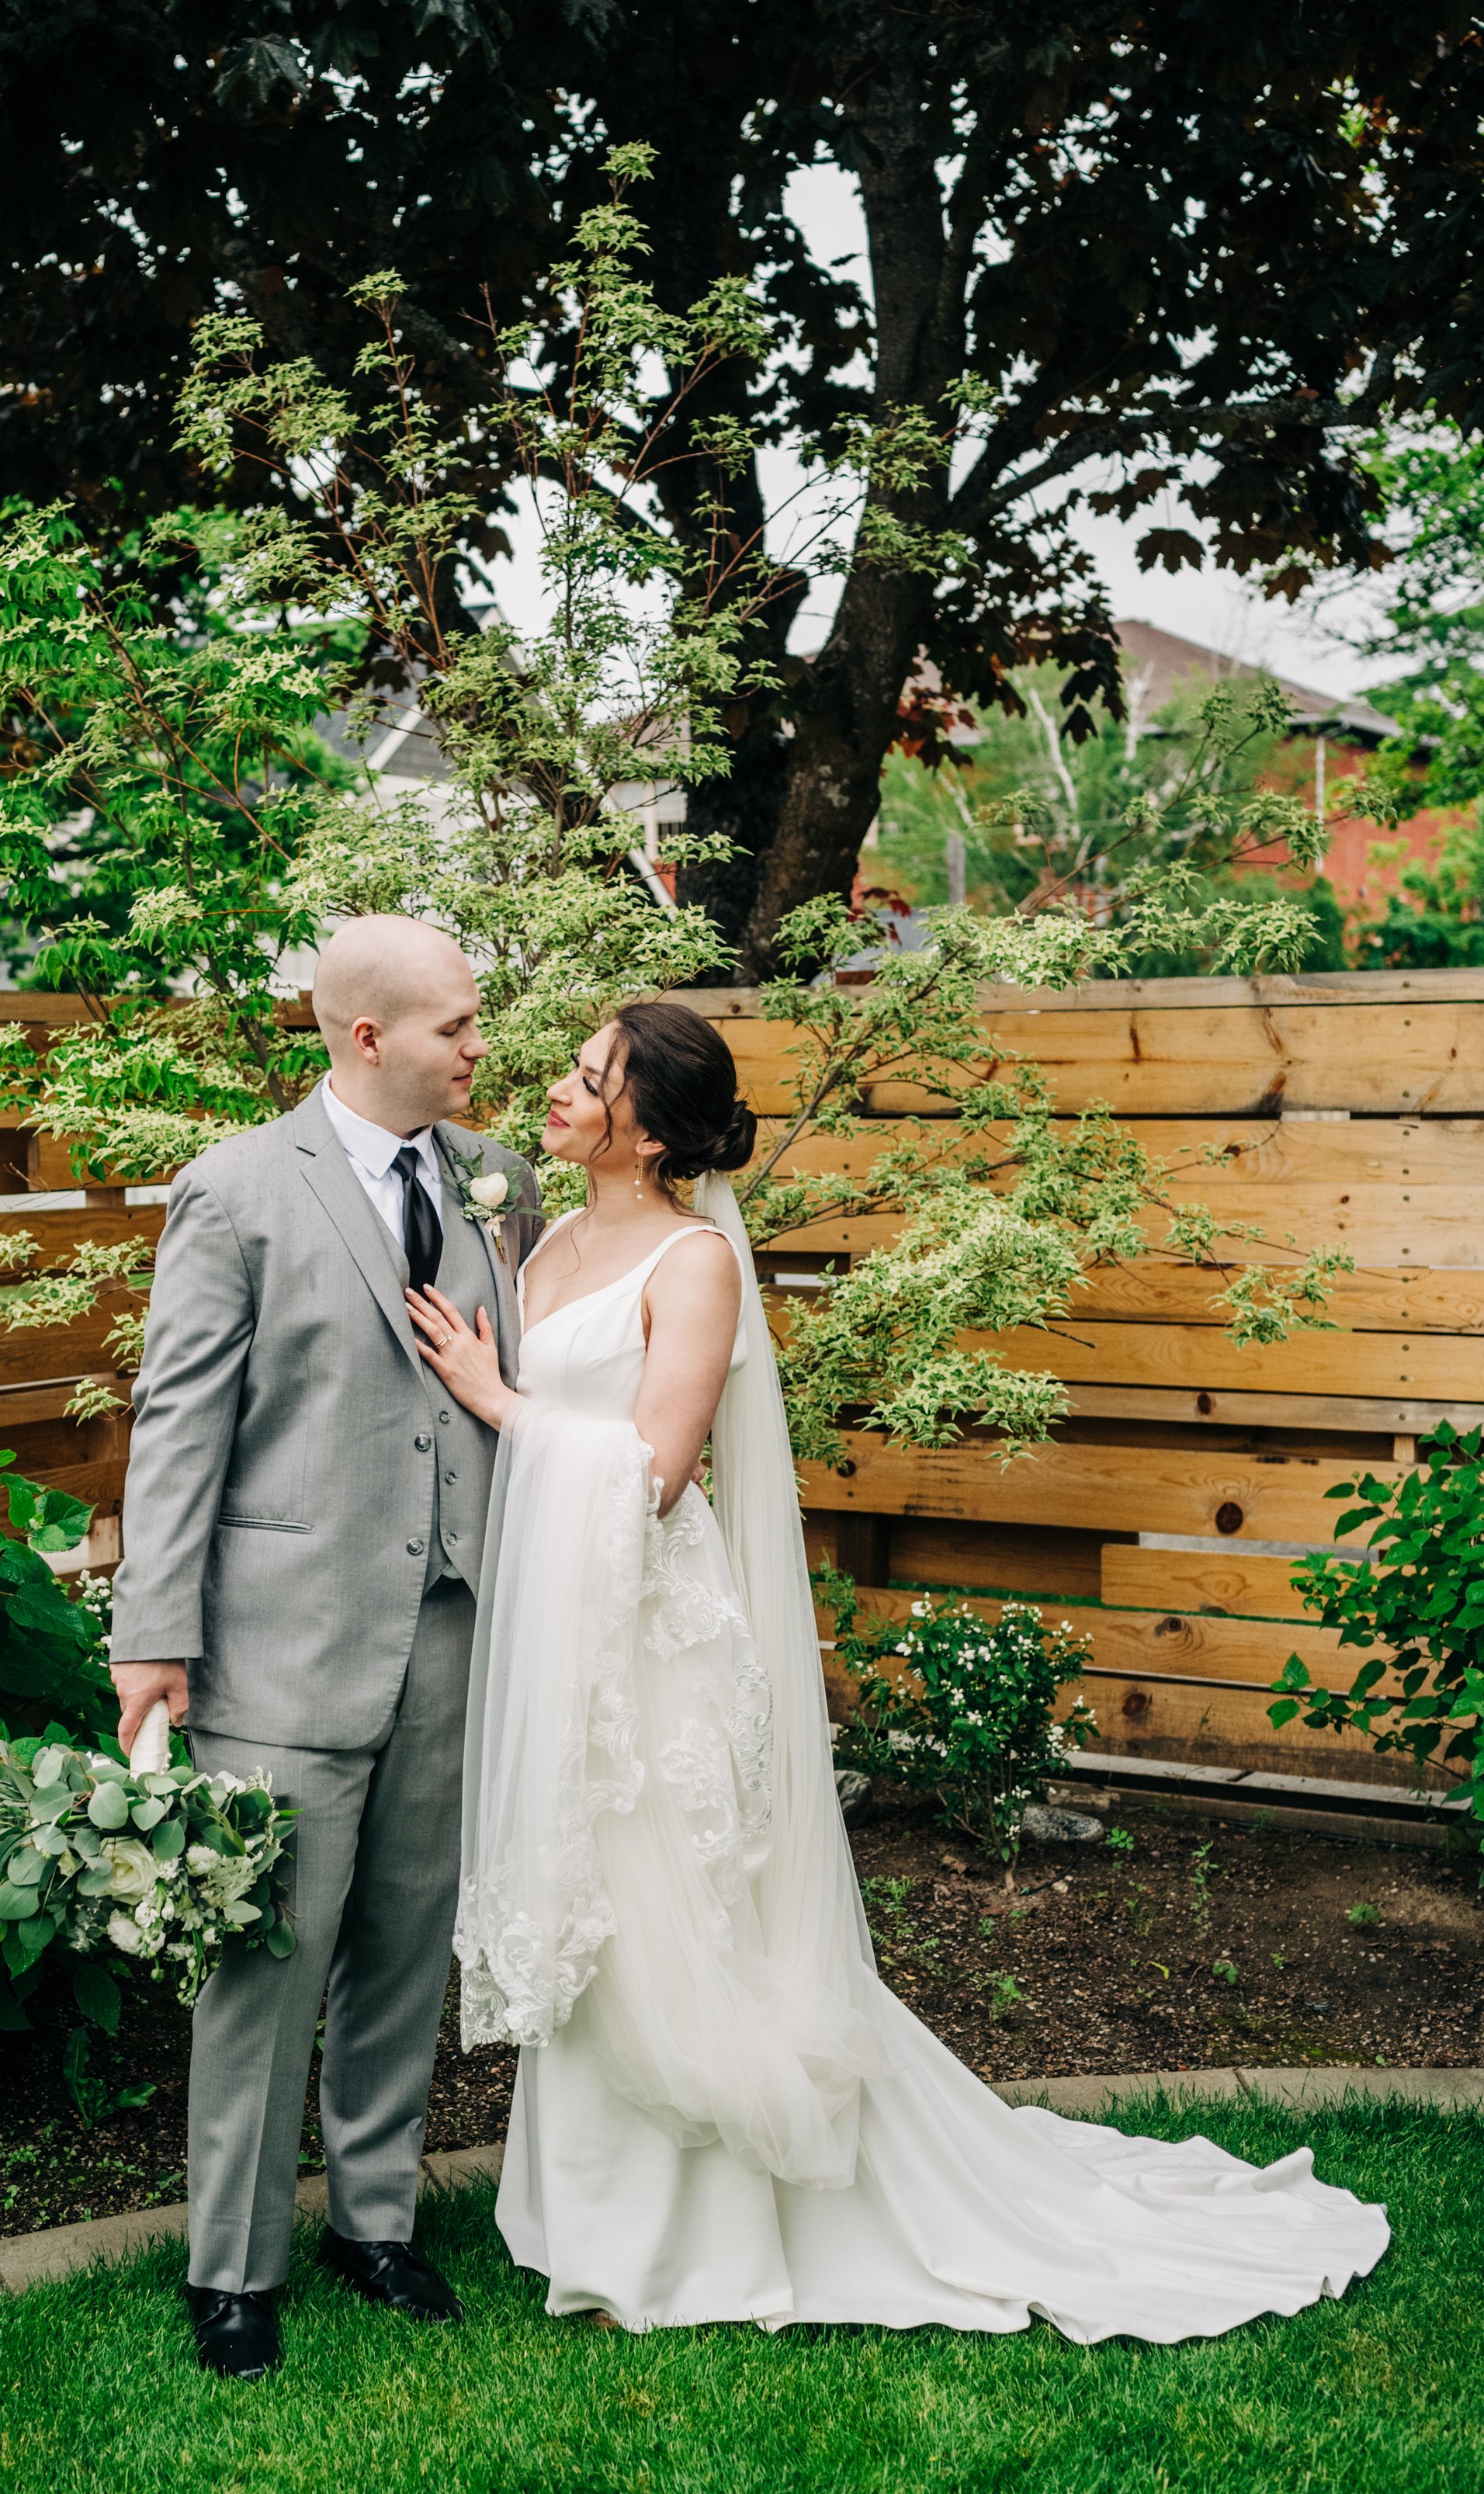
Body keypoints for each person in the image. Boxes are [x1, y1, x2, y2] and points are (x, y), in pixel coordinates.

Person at [406, 997, 1389, 2340]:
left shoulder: (696, 1264)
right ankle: (585, 2216)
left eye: (590, 1078)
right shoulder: (550, 1235)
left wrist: (497, 1396)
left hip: (655, 1636)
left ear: (646, 1128)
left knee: (664, 1900)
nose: (559, 1092)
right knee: (593, 1897)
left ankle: (704, 2239)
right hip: (558, 1625)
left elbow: (650, 1471)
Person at [109, 915, 540, 2379]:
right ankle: (233, 2264)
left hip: (454, 1631)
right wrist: (152, 1635)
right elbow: (179, 1425)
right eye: (458, 1025)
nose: (481, 1048)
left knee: (405, 1946)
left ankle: (375, 2219)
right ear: (366, 1036)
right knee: (264, 1964)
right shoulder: (233, 1191)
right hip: (282, 1644)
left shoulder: (504, 1188)